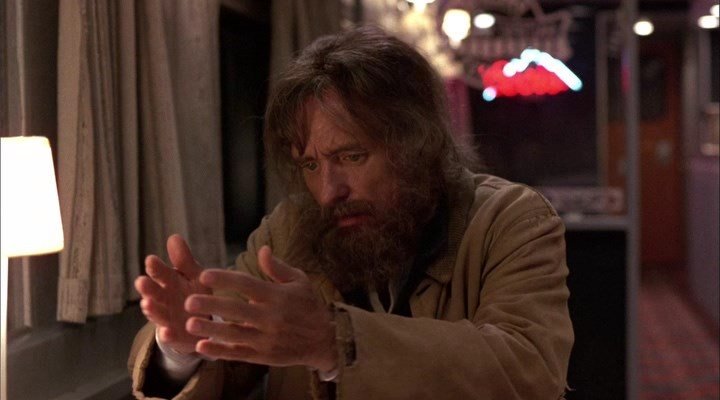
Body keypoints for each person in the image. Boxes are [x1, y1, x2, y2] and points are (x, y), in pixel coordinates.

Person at [128, 26, 573, 400]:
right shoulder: (288, 232)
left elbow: (529, 370)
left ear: (415, 146)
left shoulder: (509, 220)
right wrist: (183, 347)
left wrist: (334, 342)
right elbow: (224, 354)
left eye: (352, 156)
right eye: (310, 165)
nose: (328, 192)